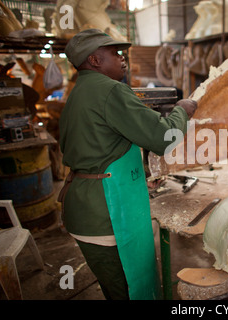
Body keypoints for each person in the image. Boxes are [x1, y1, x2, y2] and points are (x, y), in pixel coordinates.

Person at [58, 29, 197, 300]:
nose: (123, 59)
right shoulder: (110, 91)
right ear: (95, 60)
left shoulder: (79, 92)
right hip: (105, 214)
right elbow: (164, 138)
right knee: (128, 290)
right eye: (115, 53)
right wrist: (182, 110)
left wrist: (139, 174)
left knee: (118, 288)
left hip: (84, 204)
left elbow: (98, 148)